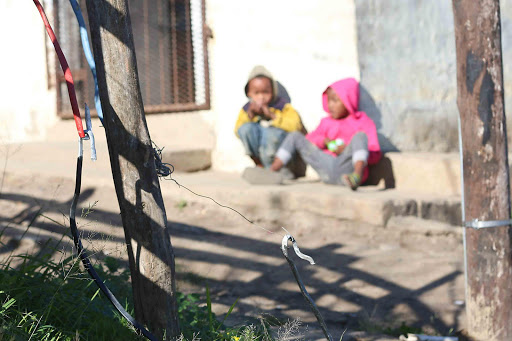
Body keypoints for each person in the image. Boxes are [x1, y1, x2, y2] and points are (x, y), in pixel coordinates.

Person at [250, 77, 381, 190]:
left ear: (348, 100)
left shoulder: (363, 122)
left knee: (360, 137)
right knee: (295, 136)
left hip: (347, 168)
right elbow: (310, 139)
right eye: (329, 100)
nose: (330, 105)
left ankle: (356, 176)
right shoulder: (326, 122)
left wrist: (348, 150)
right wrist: (324, 142)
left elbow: (375, 154)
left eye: (335, 101)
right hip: (325, 166)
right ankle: (272, 171)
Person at [234, 66, 305, 173]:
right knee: (246, 129)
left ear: (273, 91)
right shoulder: (247, 109)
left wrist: (272, 116)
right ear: (249, 94)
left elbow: (295, 126)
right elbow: (238, 131)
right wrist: (250, 116)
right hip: (261, 156)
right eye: (256, 93)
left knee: (271, 133)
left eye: (265, 92)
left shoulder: (282, 106)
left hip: (279, 157)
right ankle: (260, 166)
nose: (261, 97)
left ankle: (279, 170)